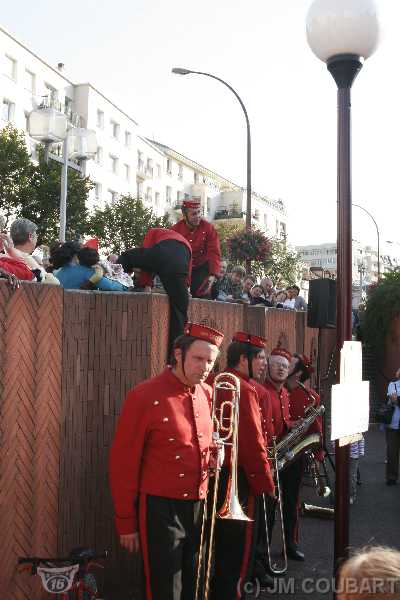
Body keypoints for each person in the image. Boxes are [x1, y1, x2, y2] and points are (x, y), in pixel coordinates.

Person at [109, 323, 224, 600]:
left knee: (194, 583)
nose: (205, 367)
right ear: (177, 354)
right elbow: (123, 464)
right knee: (164, 589)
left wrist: (215, 456)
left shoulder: (208, 394)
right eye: (198, 358)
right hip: (161, 510)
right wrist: (126, 522)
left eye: (210, 361)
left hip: (200, 504)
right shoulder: (144, 395)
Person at [210, 332, 275, 600]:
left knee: (220, 547)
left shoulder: (216, 381)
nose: (264, 363)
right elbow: (252, 443)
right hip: (238, 479)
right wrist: (266, 483)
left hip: (218, 474)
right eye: (259, 357)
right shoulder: (244, 389)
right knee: (239, 549)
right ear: (242, 359)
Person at [117, 228, 192, 357]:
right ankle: (174, 357)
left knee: (127, 256)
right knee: (179, 314)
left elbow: (148, 256)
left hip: (162, 254)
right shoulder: (185, 244)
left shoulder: (153, 232)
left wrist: (146, 284)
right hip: (180, 261)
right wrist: (186, 288)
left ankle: (115, 279)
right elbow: (188, 269)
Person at [264, 347, 306, 561]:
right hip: (271, 457)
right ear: (267, 366)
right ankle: (264, 555)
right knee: (269, 509)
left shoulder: (284, 393)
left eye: (285, 366)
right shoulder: (264, 391)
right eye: (277, 365)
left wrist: (293, 424)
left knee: (290, 504)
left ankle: (290, 544)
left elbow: (282, 421)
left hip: (288, 455)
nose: (281, 369)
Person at [285, 353, 324, 553]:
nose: (284, 366)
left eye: (290, 364)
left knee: (292, 501)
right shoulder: (275, 389)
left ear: (298, 372)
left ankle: (290, 543)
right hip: (274, 453)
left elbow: (316, 431)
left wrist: (318, 457)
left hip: (295, 456)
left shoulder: (311, 397)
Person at [171, 198, 221, 298]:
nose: (198, 216)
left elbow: (214, 252)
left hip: (201, 269)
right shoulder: (175, 230)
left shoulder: (208, 228)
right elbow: (171, 255)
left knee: (205, 295)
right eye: (194, 214)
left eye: (199, 212)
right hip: (183, 269)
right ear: (185, 216)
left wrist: (213, 275)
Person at [52, 242, 127, 292]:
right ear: (76, 255)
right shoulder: (88, 272)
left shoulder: (58, 273)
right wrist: (125, 285)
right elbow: (112, 287)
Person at [4, 218, 59, 285]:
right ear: (30, 236)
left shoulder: (4, 258)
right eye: (36, 235)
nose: (37, 239)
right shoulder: (27, 260)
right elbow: (54, 283)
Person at [385, 368, 400, 485]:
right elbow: (393, 398)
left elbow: (396, 399)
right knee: (392, 452)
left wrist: (397, 399)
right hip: (393, 425)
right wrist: (396, 399)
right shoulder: (392, 385)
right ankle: (391, 477)